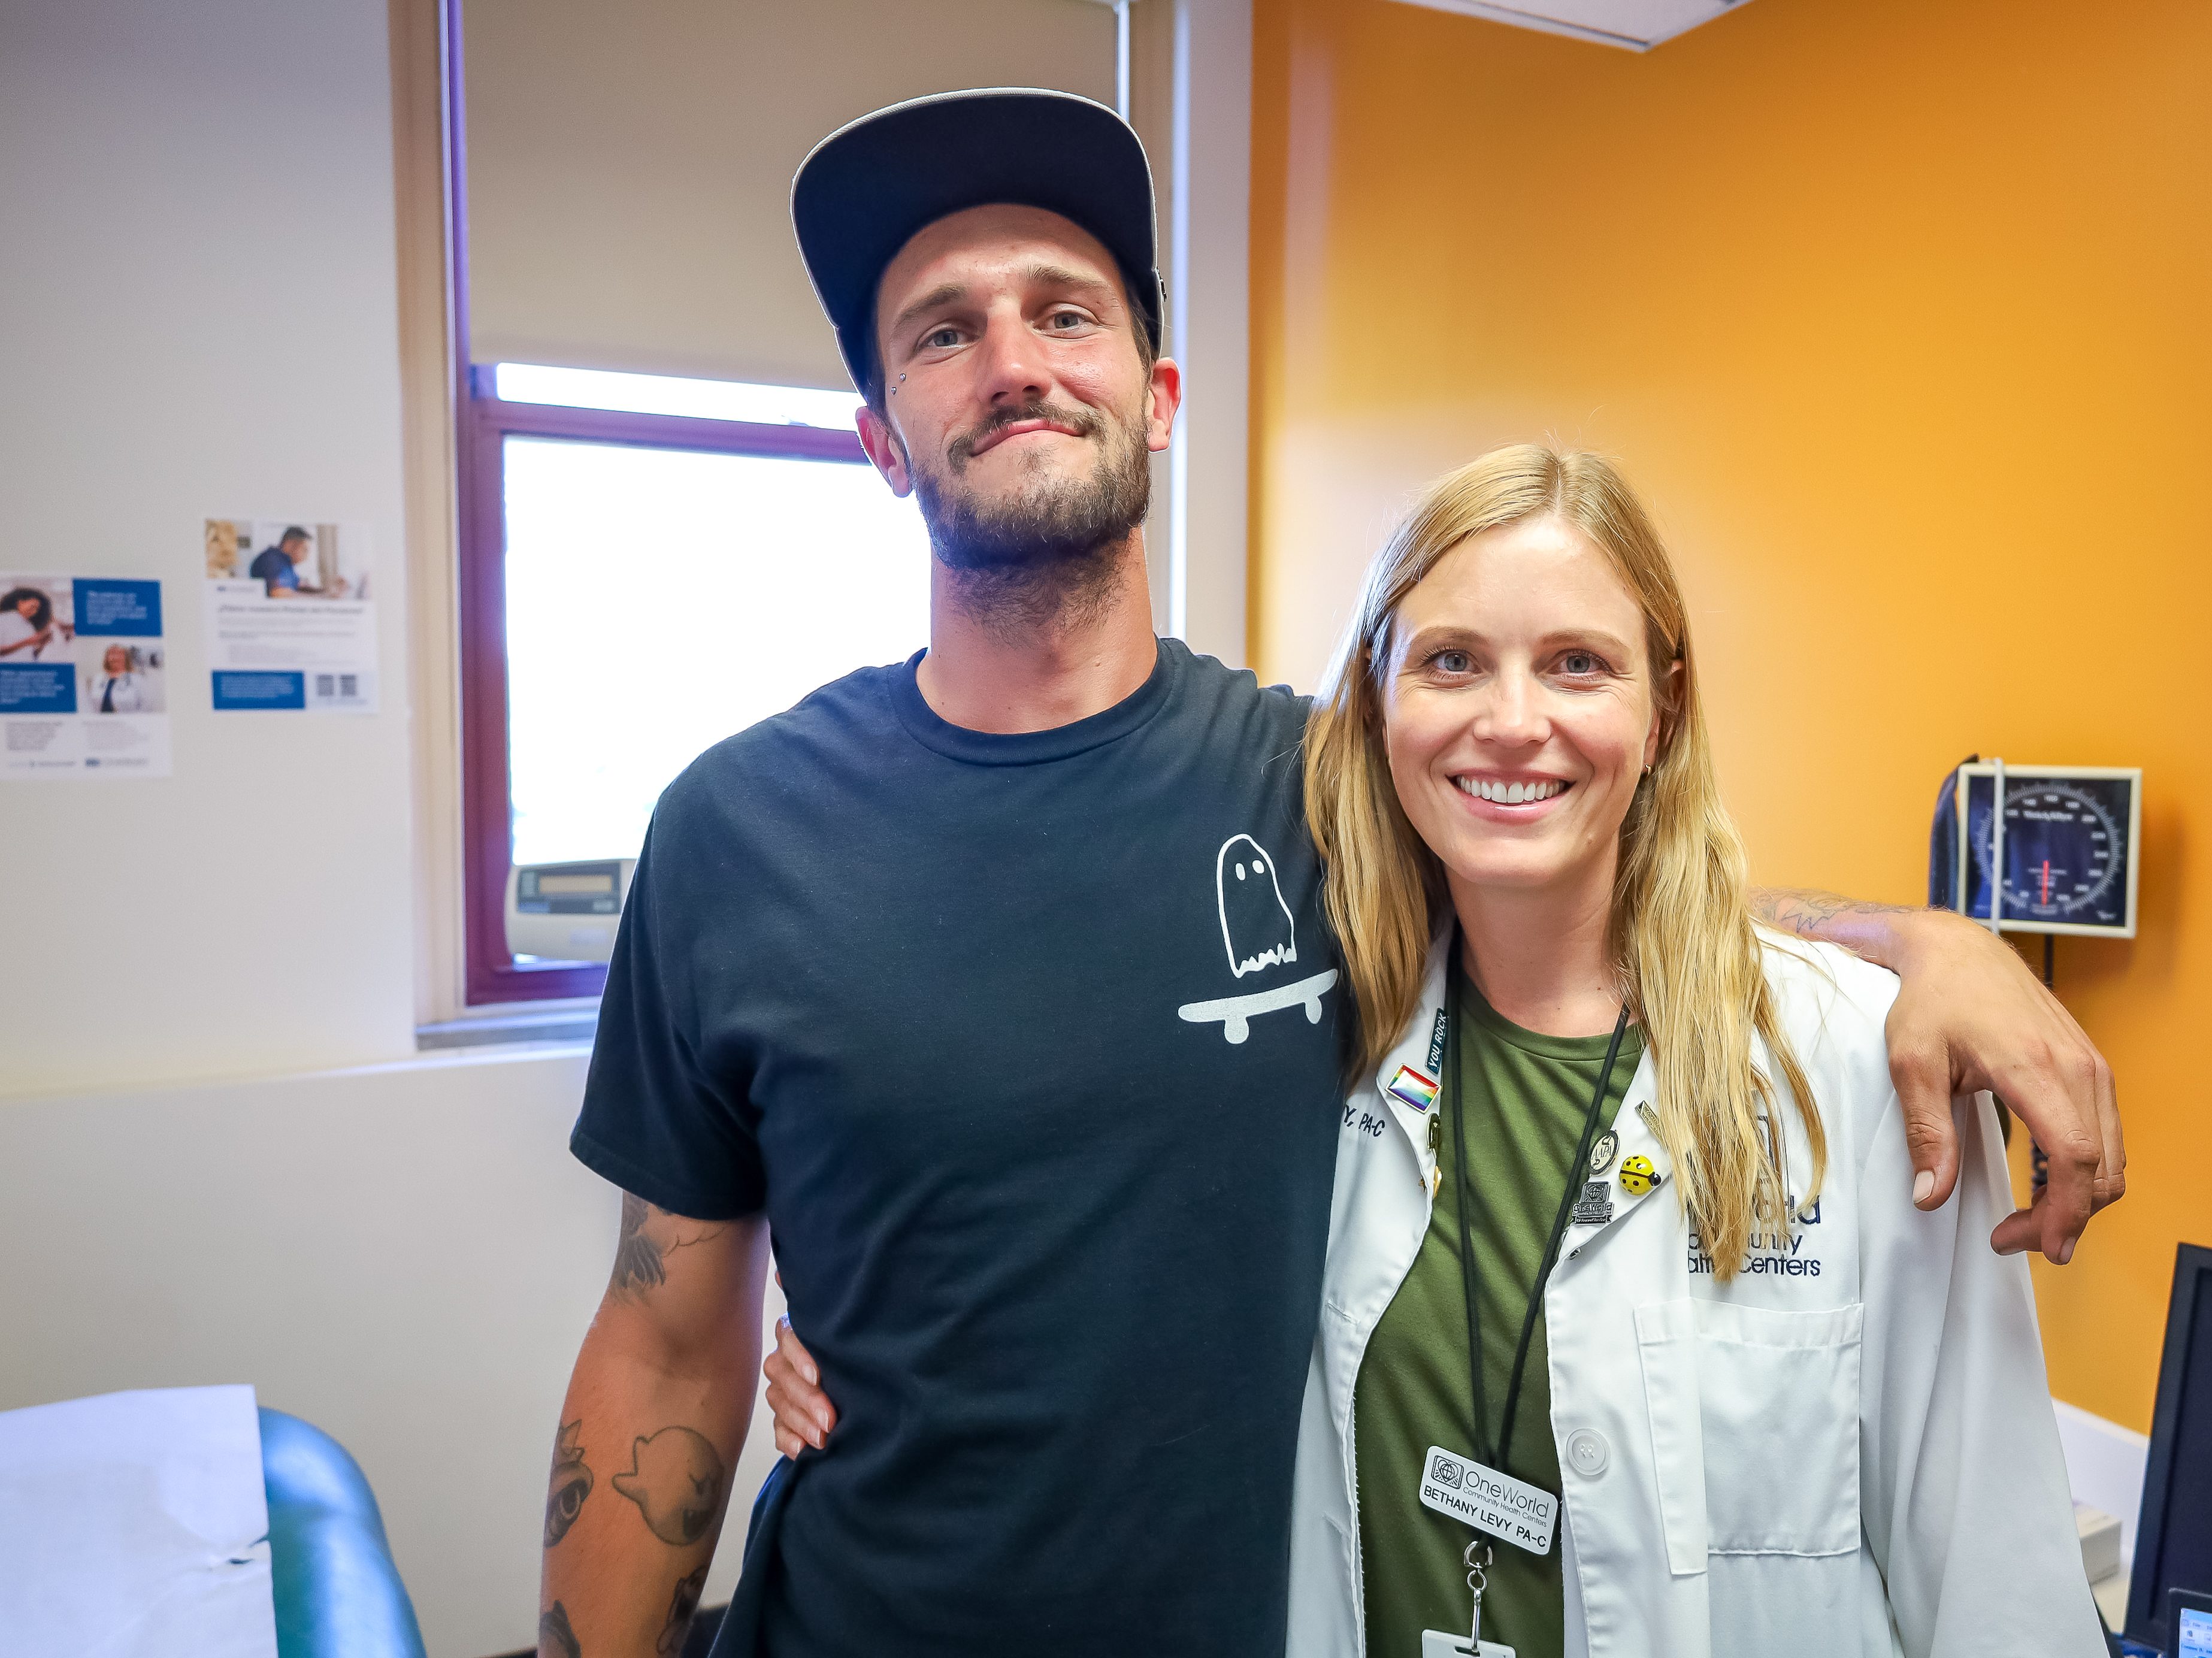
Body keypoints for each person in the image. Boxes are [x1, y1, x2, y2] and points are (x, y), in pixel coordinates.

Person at [542, 89, 2122, 1658]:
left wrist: (1927, 946)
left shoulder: (1323, 788)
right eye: (944, 332)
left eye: (1064, 313)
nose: (1015, 361)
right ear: (883, 440)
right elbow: (666, 1348)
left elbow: (1587, 871)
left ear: (1155, 394)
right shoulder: (735, 835)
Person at [1282, 444, 2098, 1654]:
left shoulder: (1866, 1062)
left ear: (1661, 710)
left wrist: (1929, 946)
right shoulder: (1309, 1038)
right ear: (1378, 693)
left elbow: (1997, 1582)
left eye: (1577, 665)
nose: (1513, 723)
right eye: (1452, 660)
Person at [0, 587, 66, 660]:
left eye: (37, 609)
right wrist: (26, 642)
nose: (34, 611)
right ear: (20, 603)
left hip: (26, 669)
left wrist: (42, 645)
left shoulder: (29, 626)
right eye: (32, 606)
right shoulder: (3, 619)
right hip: (7, 670)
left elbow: (29, 655)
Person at [249, 526, 314, 595]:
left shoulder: (286, 563)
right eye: (305, 550)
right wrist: (313, 599)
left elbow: (297, 584)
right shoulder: (272, 560)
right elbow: (277, 592)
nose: (307, 556)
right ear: (290, 545)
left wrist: (321, 593)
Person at [87, 644, 152, 713]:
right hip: (100, 722)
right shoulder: (98, 679)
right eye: (111, 654)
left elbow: (147, 707)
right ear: (107, 658)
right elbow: (90, 704)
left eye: (120, 654)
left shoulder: (137, 679)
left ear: (126, 658)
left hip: (128, 722)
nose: (115, 657)